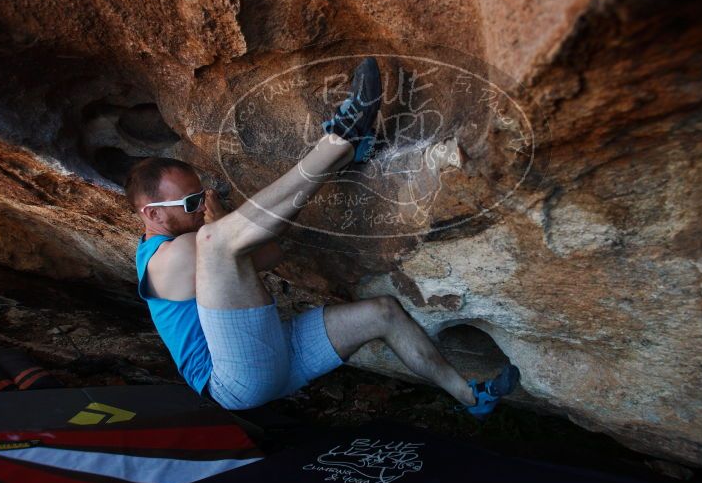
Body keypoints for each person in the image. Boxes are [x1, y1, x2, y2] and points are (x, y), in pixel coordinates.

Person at [126, 57, 520, 420]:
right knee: (215, 239)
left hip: (277, 357)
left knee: (382, 312)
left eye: (202, 194)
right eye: (192, 201)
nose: (201, 206)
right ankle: (338, 141)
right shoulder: (163, 262)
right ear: (154, 215)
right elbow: (226, 242)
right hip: (233, 381)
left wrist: (321, 176)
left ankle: (472, 398)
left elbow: (270, 247)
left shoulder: (205, 246)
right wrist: (223, 224)